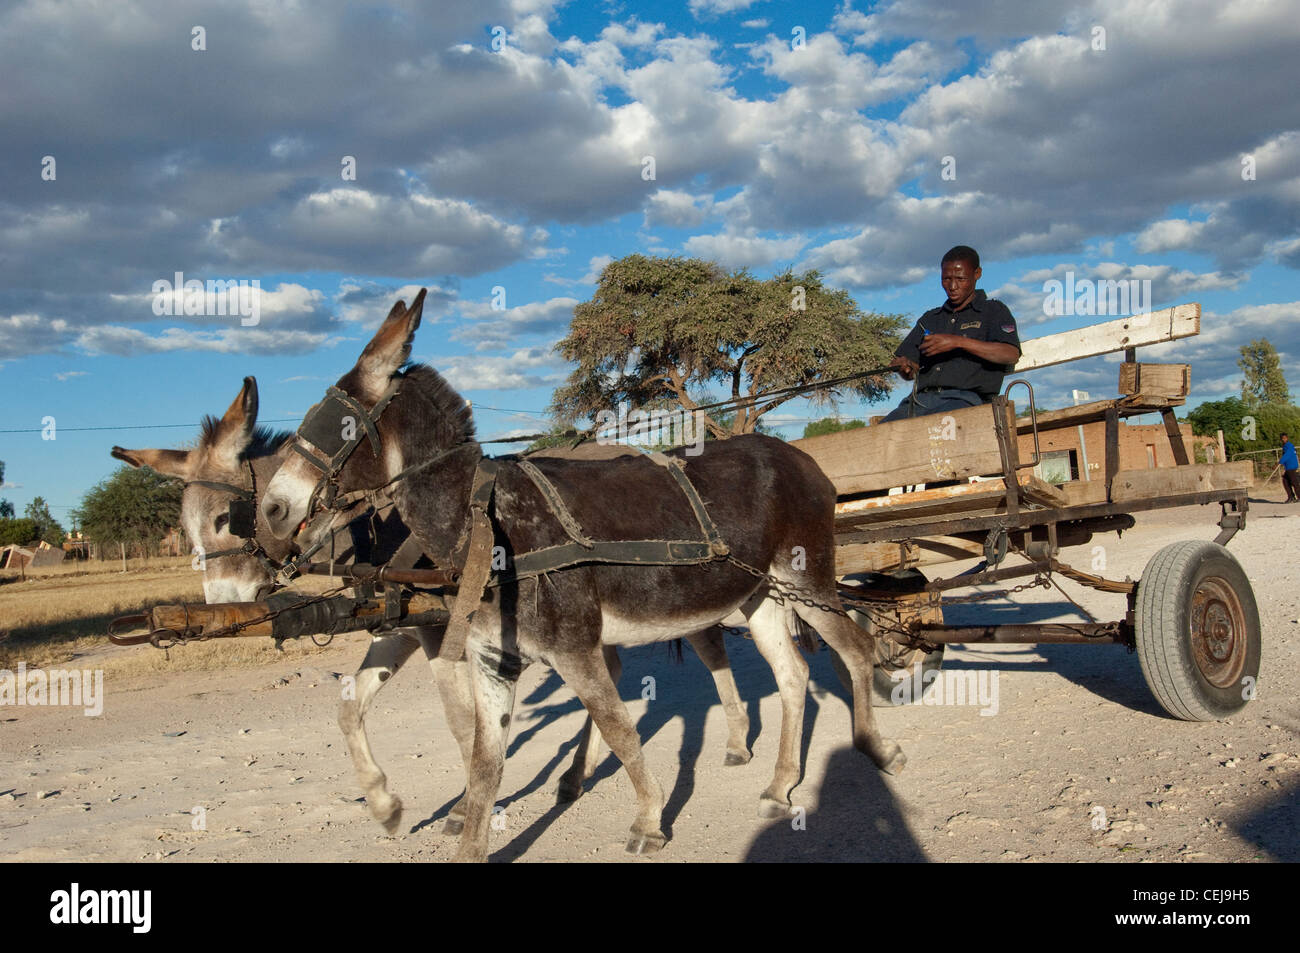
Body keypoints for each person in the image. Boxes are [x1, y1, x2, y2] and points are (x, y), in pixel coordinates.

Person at [881, 246, 1022, 422]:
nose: (952, 286)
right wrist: (904, 366)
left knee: (934, 428)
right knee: (879, 435)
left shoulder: (993, 311)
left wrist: (958, 342)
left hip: (966, 401)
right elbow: (909, 371)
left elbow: (1010, 354)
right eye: (946, 279)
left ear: (977, 274)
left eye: (960, 279)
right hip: (919, 402)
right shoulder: (931, 318)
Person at [1281, 433, 1299, 503]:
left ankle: (1298, 497)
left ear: (1287, 438)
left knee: (1295, 482)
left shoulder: (1289, 445)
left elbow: (1287, 455)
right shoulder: (1285, 446)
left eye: (1285, 438)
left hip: (1292, 466)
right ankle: (1291, 497)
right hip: (1288, 467)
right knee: (1285, 481)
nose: (1284, 439)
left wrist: (1279, 462)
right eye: (1282, 438)